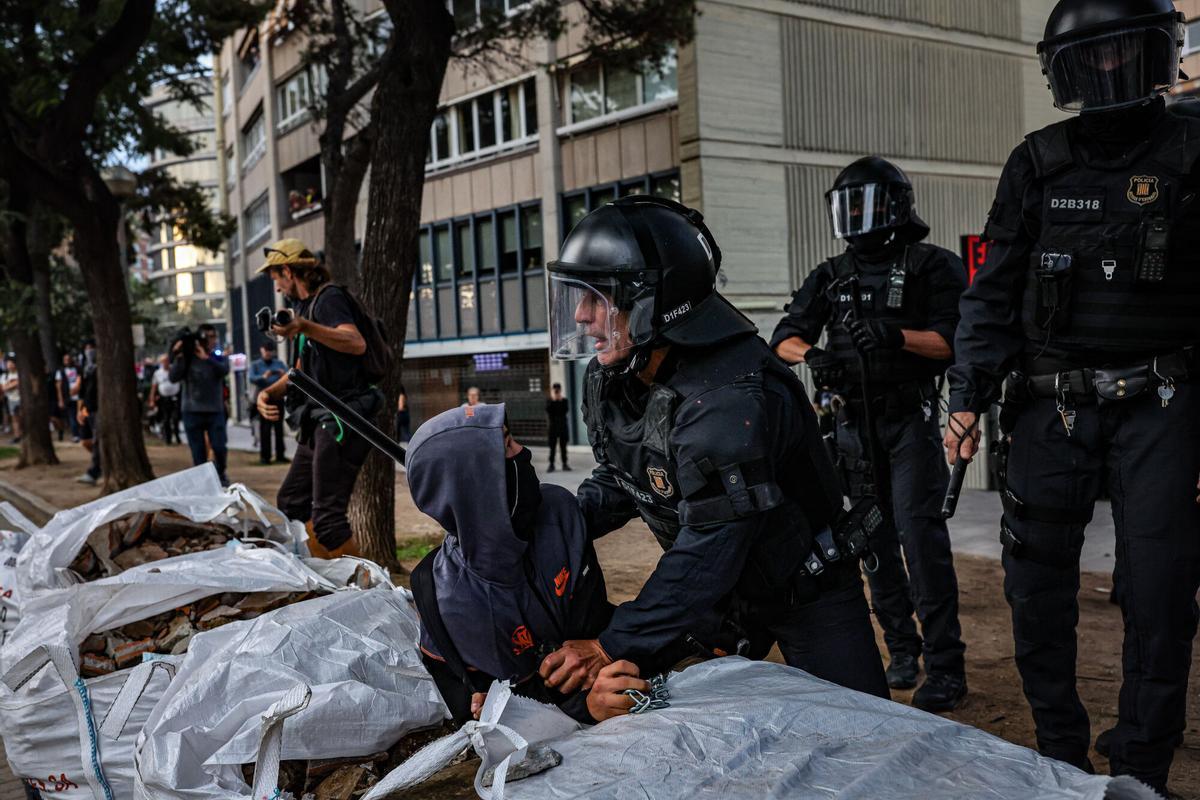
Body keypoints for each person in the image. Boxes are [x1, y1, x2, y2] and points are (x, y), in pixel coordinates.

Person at [943, 0, 1200, 790]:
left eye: (1125, 51)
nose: (1111, 70)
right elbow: (993, 292)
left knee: (1160, 595)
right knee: (1035, 589)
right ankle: (1058, 753)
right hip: (1049, 407)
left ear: (1156, 52)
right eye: (1094, 56)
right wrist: (964, 396)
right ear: (1068, 70)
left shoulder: (1194, 149)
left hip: (1163, 403)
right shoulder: (1038, 162)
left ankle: (1140, 769)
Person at [541, 196, 889, 722]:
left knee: (867, 732)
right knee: (654, 718)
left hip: (806, 587)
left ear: (654, 301)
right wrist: (550, 527)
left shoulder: (728, 396)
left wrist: (612, 644)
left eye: (598, 296)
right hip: (719, 595)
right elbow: (622, 474)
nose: (580, 316)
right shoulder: (617, 373)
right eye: (576, 295)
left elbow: (710, 548)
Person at [770, 156, 968, 711]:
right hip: (852, 427)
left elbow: (955, 341)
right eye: (849, 206)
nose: (859, 217)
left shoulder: (932, 265)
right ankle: (902, 649)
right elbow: (783, 339)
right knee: (871, 541)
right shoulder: (832, 274)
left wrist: (895, 336)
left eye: (868, 205)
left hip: (909, 423)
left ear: (896, 207)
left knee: (921, 542)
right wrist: (815, 356)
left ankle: (946, 667)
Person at [407, 403, 613, 724]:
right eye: (506, 446)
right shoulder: (451, 603)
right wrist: (585, 708)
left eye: (512, 438)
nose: (523, 452)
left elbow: (596, 620)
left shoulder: (559, 511)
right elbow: (491, 714)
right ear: (477, 485)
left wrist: (610, 648)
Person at [254, 239, 381, 560]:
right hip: (319, 417)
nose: (277, 286)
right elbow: (300, 371)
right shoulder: (305, 308)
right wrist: (268, 393)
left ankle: (365, 585)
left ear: (288, 271)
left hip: (343, 417)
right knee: (292, 501)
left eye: (276, 277)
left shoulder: (328, 299)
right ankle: (322, 573)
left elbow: (356, 342)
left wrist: (305, 327)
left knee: (328, 518)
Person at [169, 324, 230, 485]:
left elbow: (224, 371)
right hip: (191, 410)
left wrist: (207, 358)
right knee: (198, 450)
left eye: (213, 336)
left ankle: (220, 473)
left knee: (219, 446)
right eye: (206, 337)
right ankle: (204, 481)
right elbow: (173, 377)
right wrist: (179, 356)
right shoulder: (187, 357)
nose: (210, 340)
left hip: (214, 410)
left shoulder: (217, 356)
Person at [249, 342, 288, 464]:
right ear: (261, 350)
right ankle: (265, 457)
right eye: (266, 350)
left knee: (279, 428)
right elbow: (251, 378)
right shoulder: (255, 365)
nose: (268, 353)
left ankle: (280, 455)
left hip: (278, 399)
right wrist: (263, 377)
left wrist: (283, 375)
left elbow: (289, 375)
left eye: (270, 351)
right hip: (263, 400)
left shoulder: (279, 364)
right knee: (264, 429)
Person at [75, 340, 101, 485]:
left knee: (97, 440)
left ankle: (94, 472)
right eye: (86, 348)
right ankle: (103, 462)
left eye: (91, 347)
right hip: (86, 409)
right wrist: (80, 411)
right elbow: (82, 393)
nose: (89, 351)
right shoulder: (85, 369)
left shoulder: (101, 369)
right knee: (85, 440)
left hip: (99, 410)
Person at [148, 354, 181, 445]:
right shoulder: (158, 373)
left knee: (175, 418)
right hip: (164, 398)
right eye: (163, 361)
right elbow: (154, 387)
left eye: (167, 361)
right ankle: (168, 438)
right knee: (166, 418)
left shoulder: (174, 370)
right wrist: (152, 400)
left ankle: (177, 436)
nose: (165, 363)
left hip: (175, 397)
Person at [545, 383, 570, 472]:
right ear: (552, 390)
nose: (556, 391)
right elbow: (548, 411)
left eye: (558, 390)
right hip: (553, 427)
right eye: (555, 390)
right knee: (552, 447)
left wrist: (559, 400)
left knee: (563, 447)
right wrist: (553, 401)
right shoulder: (549, 401)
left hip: (563, 427)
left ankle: (565, 464)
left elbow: (565, 411)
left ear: (560, 390)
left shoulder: (564, 401)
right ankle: (551, 464)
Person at [55, 353, 80, 443]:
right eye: (65, 359)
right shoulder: (60, 371)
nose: (67, 361)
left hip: (79, 396)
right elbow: (58, 386)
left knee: (82, 414)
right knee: (72, 416)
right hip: (68, 397)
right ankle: (76, 435)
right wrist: (60, 400)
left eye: (69, 359)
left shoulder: (78, 369)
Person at [2, 357, 21, 444]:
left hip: (21, 398)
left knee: (23, 418)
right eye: (7, 363)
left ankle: (24, 435)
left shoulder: (20, 374)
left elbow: (19, 383)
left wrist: (9, 384)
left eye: (11, 363)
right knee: (14, 419)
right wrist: (14, 383)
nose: (9, 365)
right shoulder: (5, 376)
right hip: (11, 399)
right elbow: (3, 388)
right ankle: (17, 436)